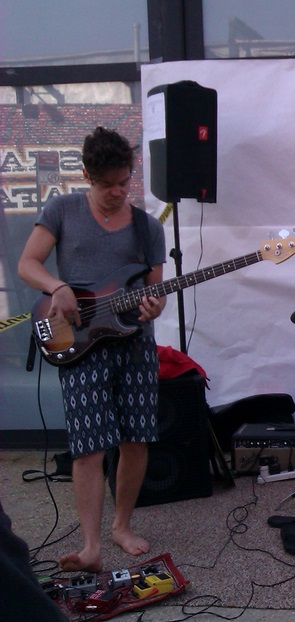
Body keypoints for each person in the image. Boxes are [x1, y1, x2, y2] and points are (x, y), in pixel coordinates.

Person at [18, 127, 166, 573]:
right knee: (88, 447)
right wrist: (57, 286)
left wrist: (153, 304)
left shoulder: (147, 226)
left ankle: (121, 526)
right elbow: (28, 264)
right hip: (80, 343)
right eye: (106, 186)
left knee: (136, 439)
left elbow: (155, 291)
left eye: (124, 183)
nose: (117, 192)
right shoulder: (61, 209)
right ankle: (90, 546)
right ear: (86, 175)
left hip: (134, 344)